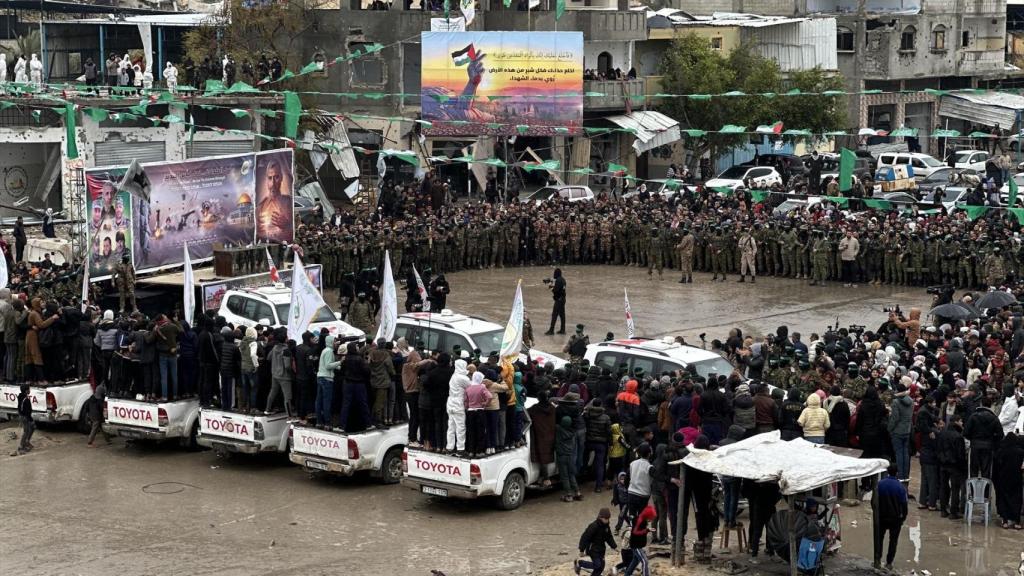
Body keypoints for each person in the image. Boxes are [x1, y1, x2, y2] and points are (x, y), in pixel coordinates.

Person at [874, 463, 908, 572]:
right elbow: (904, 505)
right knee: (893, 541)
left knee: (879, 539)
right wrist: (903, 517)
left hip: (881, 517)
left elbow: (874, 501)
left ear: (887, 472)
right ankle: (889, 563)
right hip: (895, 519)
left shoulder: (880, 484)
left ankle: (877, 560)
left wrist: (876, 514)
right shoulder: (900, 487)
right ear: (897, 473)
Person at [963, 394, 1004, 478]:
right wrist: (992, 440)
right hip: (988, 447)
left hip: (974, 446)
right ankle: (985, 486)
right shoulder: (994, 418)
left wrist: (973, 439)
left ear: (981, 404)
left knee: (973, 470)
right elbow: (1000, 434)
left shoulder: (973, 416)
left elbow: (966, 432)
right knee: (986, 471)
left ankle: (973, 486)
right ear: (990, 405)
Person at [936, 413, 967, 519]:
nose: (962, 423)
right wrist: (963, 467)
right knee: (955, 489)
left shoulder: (942, 433)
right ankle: (954, 512)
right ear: (957, 422)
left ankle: (943, 510)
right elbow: (960, 454)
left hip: (943, 464)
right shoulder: (958, 436)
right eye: (961, 421)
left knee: (943, 487)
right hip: (954, 466)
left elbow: (938, 449)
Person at [993, 432, 1023, 529]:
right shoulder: (1020, 451)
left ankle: (1005, 521)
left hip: (1003, 479)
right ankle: (1017, 522)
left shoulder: (1001, 451)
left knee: (1003, 499)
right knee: (1017, 499)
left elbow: (996, 466)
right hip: (1016, 478)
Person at [576, 508, 617, 576]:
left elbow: (609, 537)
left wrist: (614, 546)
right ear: (600, 517)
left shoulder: (606, 526)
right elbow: (585, 537)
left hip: (601, 549)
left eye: (608, 519)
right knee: (597, 565)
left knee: (601, 567)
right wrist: (581, 550)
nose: (607, 520)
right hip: (592, 549)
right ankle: (580, 563)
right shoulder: (593, 526)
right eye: (605, 519)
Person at [888, 382, 914, 482]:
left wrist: (889, 428)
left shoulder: (895, 402)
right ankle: (905, 475)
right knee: (905, 453)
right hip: (907, 430)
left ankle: (900, 475)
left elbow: (895, 418)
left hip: (897, 431)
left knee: (899, 453)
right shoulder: (911, 401)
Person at [624, 503, 656, 576]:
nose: (651, 519)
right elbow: (636, 532)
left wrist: (648, 530)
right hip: (636, 545)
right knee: (645, 561)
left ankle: (627, 574)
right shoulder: (640, 520)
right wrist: (647, 530)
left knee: (635, 561)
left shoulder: (643, 520)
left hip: (638, 545)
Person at [446, 359, 470, 454]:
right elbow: (471, 386)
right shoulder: (463, 378)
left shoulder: (454, 376)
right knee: (460, 427)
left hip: (450, 403)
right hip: (458, 404)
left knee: (451, 427)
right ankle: (460, 449)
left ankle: (450, 447)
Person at [369, 339, 395, 426]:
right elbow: (390, 368)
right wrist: (393, 374)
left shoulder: (372, 353)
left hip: (373, 380)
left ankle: (371, 419)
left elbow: (368, 364)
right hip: (383, 382)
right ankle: (378, 421)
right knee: (380, 403)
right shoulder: (386, 354)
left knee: (373, 401)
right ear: (384, 345)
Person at [557, 414, 580, 502]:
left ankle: (569, 495)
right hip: (570, 456)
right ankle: (577, 492)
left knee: (565, 476)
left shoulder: (559, 430)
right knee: (571, 475)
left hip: (562, 456)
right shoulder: (573, 433)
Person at [86, 382, 112, 446]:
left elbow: (87, 407)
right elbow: (102, 408)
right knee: (95, 428)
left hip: (91, 415)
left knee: (102, 427)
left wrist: (87, 414)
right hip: (97, 416)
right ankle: (90, 442)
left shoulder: (91, 398)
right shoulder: (100, 400)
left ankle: (108, 440)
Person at [544, 268, 567, 335]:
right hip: (563, 299)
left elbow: (555, 291)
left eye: (554, 273)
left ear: (556, 273)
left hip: (559, 300)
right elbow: (559, 288)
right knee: (562, 315)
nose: (554, 274)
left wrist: (550, 285)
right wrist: (552, 283)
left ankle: (551, 330)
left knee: (554, 315)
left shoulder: (558, 280)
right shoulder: (563, 280)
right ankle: (563, 330)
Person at [14, 383, 34, 455]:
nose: (29, 390)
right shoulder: (26, 399)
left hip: (23, 416)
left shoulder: (21, 397)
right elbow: (26, 411)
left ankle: (26, 442)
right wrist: (30, 419)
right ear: (26, 391)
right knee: (26, 431)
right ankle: (21, 447)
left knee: (31, 428)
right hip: (25, 417)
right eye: (29, 389)